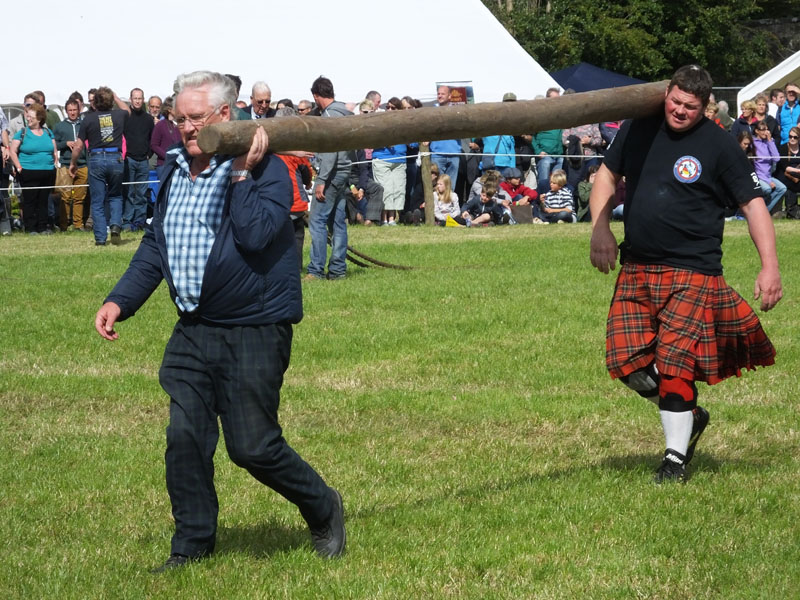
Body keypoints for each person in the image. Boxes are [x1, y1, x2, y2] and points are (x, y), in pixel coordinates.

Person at [94, 70, 345, 573]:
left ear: (225, 117)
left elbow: (255, 236)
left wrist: (239, 174)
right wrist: (120, 300)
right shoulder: (173, 171)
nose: (184, 128)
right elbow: (156, 247)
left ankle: (323, 506)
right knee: (183, 440)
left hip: (254, 324)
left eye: (195, 118)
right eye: (177, 117)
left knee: (252, 446)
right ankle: (191, 545)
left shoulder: (269, 169)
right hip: (193, 327)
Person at [589, 64, 782, 484]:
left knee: (675, 365)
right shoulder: (639, 127)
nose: (679, 111)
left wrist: (770, 266)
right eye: (674, 101)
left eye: (689, 107)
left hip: (693, 270)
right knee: (627, 363)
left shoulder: (719, 144)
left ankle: (674, 460)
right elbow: (607, 173)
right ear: (666, 94)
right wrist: (600, 228)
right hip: (637, 265)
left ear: (705, 106)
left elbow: (753, 205)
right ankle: (688, 417)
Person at [306, 76, 353, 280]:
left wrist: (322, 180)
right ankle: (337, 270)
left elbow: (330, 151)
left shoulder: (329, 116)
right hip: (344, 171)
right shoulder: (346, 113)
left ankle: (315, 270)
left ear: (316, 96)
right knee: (338, 223)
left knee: (317, 221)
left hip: (331, 173)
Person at [70, 86, 128, 246]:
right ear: (111, 101)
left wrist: (73, 163)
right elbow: (127, 109)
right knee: (115, 195)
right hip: (115, 157)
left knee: (97, 201)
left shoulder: (88, 119)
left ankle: (101, 238)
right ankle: (115, 225)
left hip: (96, 158)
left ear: (94, 102)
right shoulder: (119, 115)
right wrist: (116, 97)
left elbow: (79, 146)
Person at [9, 103, 57, 235]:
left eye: (31, 116)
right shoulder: (22, 133)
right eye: (27, 116)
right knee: (30, 201)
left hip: (47, 172)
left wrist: (54, 164)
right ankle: (31, 227)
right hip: (28, 172)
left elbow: (54, 150)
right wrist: (18, 166)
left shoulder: (48, 132)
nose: (28, 118)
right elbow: (13, 151)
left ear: (39, 118)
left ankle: (43, 226)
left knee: (43, 201)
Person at [122, 88, 155, 231]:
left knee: (141, 194)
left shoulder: (148, 119)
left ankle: (140, 222)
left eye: (140, 98)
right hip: (129, 159)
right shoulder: (125, 117)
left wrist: (149, 153)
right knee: (129, 193)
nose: (137, 101)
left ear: (143, 100)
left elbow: (152, 139)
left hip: (143, 160)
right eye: (135, 98)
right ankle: (127, 222)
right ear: (130, 99)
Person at [53, 99, 89, 231]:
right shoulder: (60, 126)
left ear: (79, 110)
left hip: (82, 164)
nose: (73, 113)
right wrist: (65, 144)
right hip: (66, 164)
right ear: (66, 111)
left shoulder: (84, 124)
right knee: (65, 197)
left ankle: (78, 224)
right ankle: (64, 224)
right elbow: (54, 144)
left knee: (80, 197)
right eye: (70, 110)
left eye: (75, 110)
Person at [751, 121, 786, 214]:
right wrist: (768, 181)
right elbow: (755, 168)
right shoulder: (753, 143)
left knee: (782, 188)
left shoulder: (770, 141)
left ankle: (764, 212)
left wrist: (770, 141)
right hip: (758, 176)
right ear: (757, 131)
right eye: (762, 130)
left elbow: (777, 159)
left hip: (768, 176)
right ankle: (759, 210)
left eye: (767, 129)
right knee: (767, 189)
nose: (765, 132)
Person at [775, 125, 800, 219]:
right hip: (786, 175)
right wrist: (798, 170)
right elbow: (786, 168)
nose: (792, 139)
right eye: (790, 136)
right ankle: (792, 210)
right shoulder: (783, 148)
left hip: (798, 175)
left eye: (795, 137)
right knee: (791, 186)